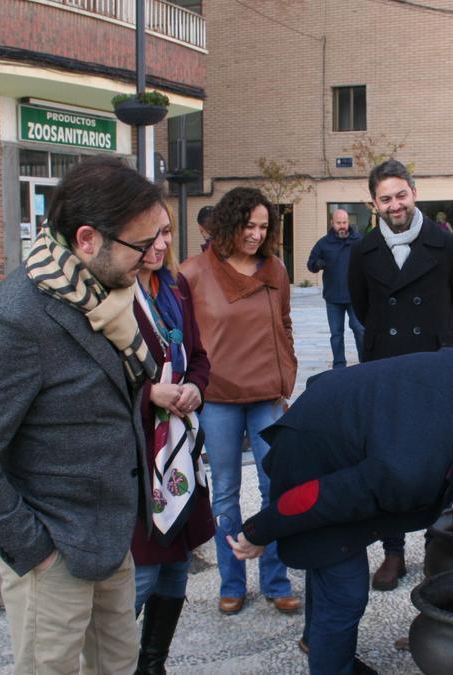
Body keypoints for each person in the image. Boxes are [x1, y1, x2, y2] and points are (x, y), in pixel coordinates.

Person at [227, 338, 453, 674]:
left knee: (330, 580)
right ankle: (329, 661)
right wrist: (259, 531)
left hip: (365, 426)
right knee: (345, 594)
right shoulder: (410, 471)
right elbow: (320, 499)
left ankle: (317, 638)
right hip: (314, 451)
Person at [0, 157, 168, 673]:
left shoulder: (108, 297)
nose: (156, 253)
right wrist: (36, 552)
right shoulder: (14, 321)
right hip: (54, 553)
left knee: (118, 666)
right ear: (87, 239)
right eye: (142, 242)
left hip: (112, 537)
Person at [347, 158, 453, 591]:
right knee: (387, 457)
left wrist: (438, 334)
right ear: (374, 204)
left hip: (437, 365)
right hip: (386, 366)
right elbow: (363, 308)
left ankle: (440, 548)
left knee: (443, 456)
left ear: (414, 194)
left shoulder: (447, 244)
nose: (395, 204)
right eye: (385, 198)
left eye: (401, 194)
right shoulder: (362, 252)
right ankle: (393, 551)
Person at [180, 186, 301, 616]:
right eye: (249, 225)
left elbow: (285, 322)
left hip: (268, 395)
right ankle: (231, 582)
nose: (255, 234)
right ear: (230, 223)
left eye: (264, 226)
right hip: (220, 397)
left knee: (277, 489)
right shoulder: (193, 273)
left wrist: (288, 369)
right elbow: (180, 337)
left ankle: (276, 579)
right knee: (226, 494)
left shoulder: (277, 269)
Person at [130, 203, 215, 675]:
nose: (163, 245)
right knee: (142, 573)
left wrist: (194, 389)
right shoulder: (108, 296)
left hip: (181, 448)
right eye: (151, 237)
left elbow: (199, 357)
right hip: (140, 458)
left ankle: (152, 665)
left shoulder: (174, 287)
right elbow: (99, 385)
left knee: (177, 569)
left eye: (166, 233)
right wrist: (151, 395)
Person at [307, 208, 364, 368]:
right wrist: (317, 264)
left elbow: (371, 261)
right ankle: (339, 365)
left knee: (360, 330)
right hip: (333, 298)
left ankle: (365, 362)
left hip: (355, 296)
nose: (342, 226)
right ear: (332, 223)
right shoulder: (323, 243)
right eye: (338, 223)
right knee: (336, 334)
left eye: (345, 222)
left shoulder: (359, 240)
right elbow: (310, 263)